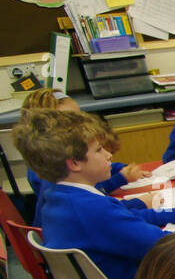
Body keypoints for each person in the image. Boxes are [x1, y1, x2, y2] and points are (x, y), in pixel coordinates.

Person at [13, 109, 175, 279]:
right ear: (75, 163)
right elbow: (168, 248)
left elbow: (123, 214)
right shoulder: (92, 210)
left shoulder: (60, 196)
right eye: (99, 149)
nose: (109, 155)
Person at [21, 90, 142, 221]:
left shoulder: (54, 160)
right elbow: (96, 195)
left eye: (79, 116)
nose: (80, 124)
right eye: (70, 120)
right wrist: (121, 178)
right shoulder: (55, 172)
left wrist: (119, 168)